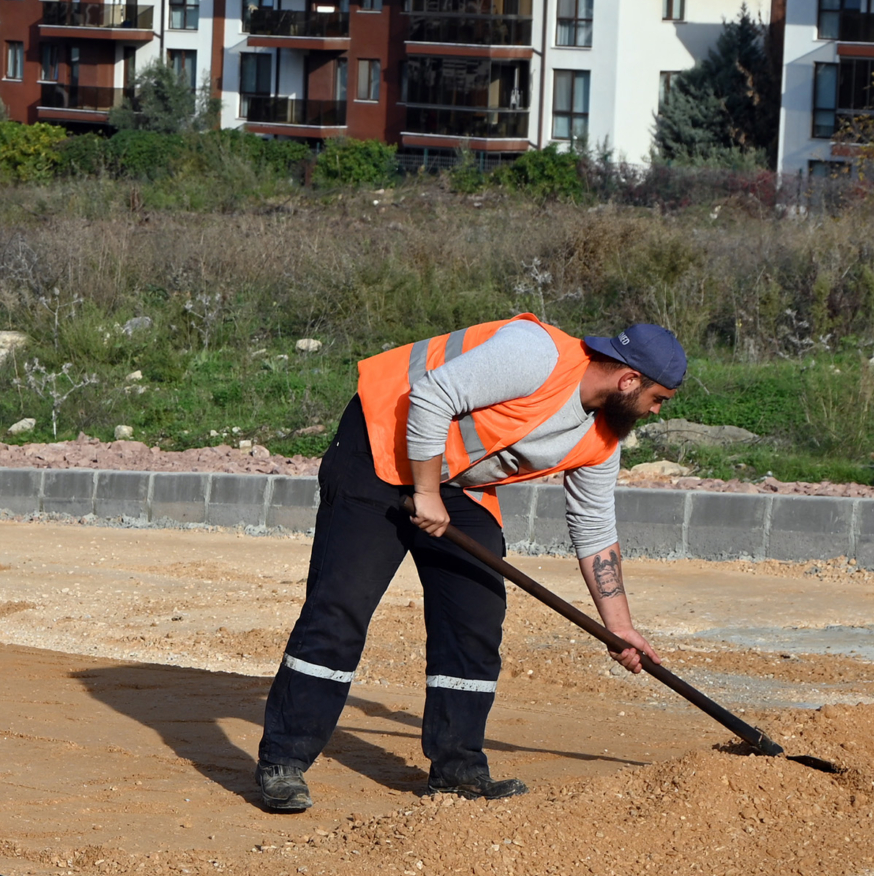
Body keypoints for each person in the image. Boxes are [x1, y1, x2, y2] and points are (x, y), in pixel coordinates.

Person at [252, 317, 684, 813]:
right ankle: (283, 760)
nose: (654, 411)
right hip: (377, 444)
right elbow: (432, 395)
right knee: (341, 607)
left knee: (474, 618)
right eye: (658, 399)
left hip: (453, 479)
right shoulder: (536, 354)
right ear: (629, 380)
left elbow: (594, 531)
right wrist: (426, 493)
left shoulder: (601, 441)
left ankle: (458, 768)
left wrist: (621, 629)